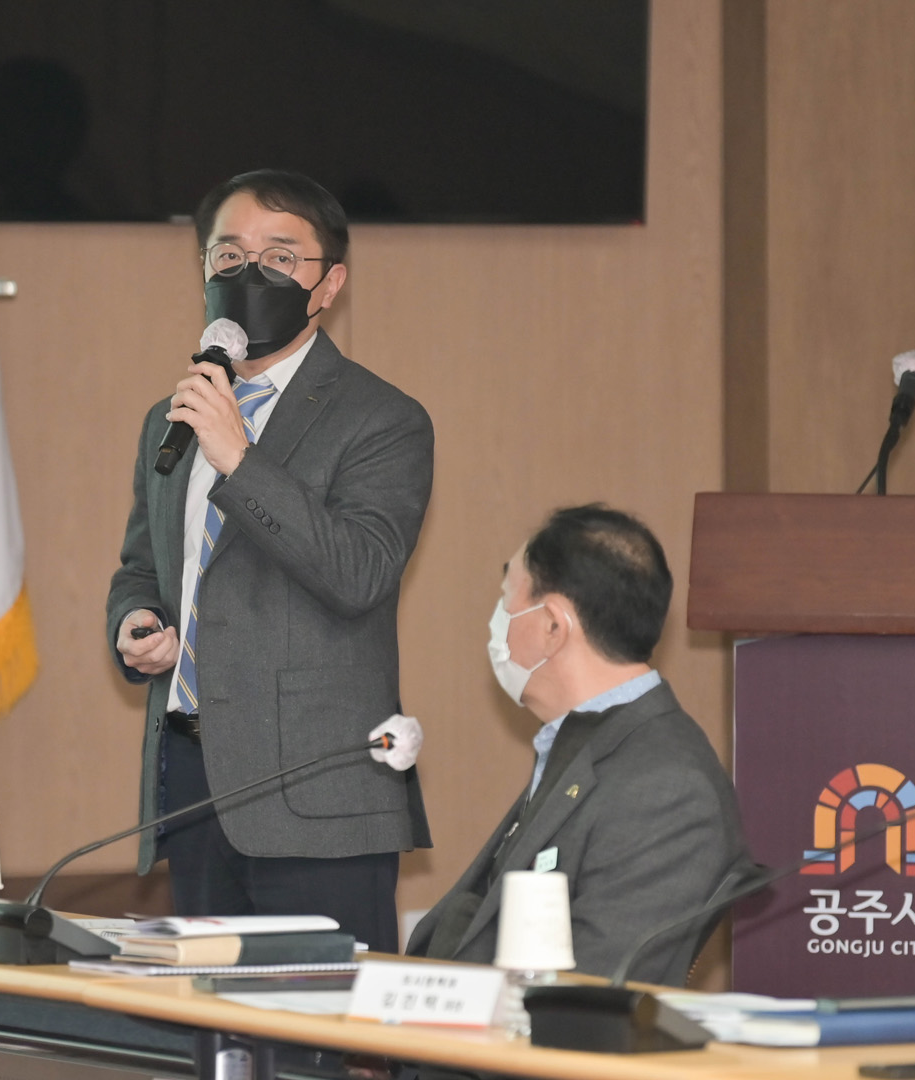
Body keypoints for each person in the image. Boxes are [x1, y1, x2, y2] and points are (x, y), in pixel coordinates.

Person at [105, 169, 433, 951]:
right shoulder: (172, 418)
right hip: (193, 778)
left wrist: (239, 459)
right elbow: (143, 564)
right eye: (228, 256)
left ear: (328, 285)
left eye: (280, 258)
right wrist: (136, 620)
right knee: (204, 1016)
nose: (248, 275)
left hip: (317, 790)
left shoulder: (382, 419)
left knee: (324, 1019)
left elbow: (359, 573)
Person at [406, 505, 753, 984]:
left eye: (507, 601)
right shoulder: (591, 741)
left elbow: (591, 992)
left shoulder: (668, 788)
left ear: (553, 626)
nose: (497, 623)